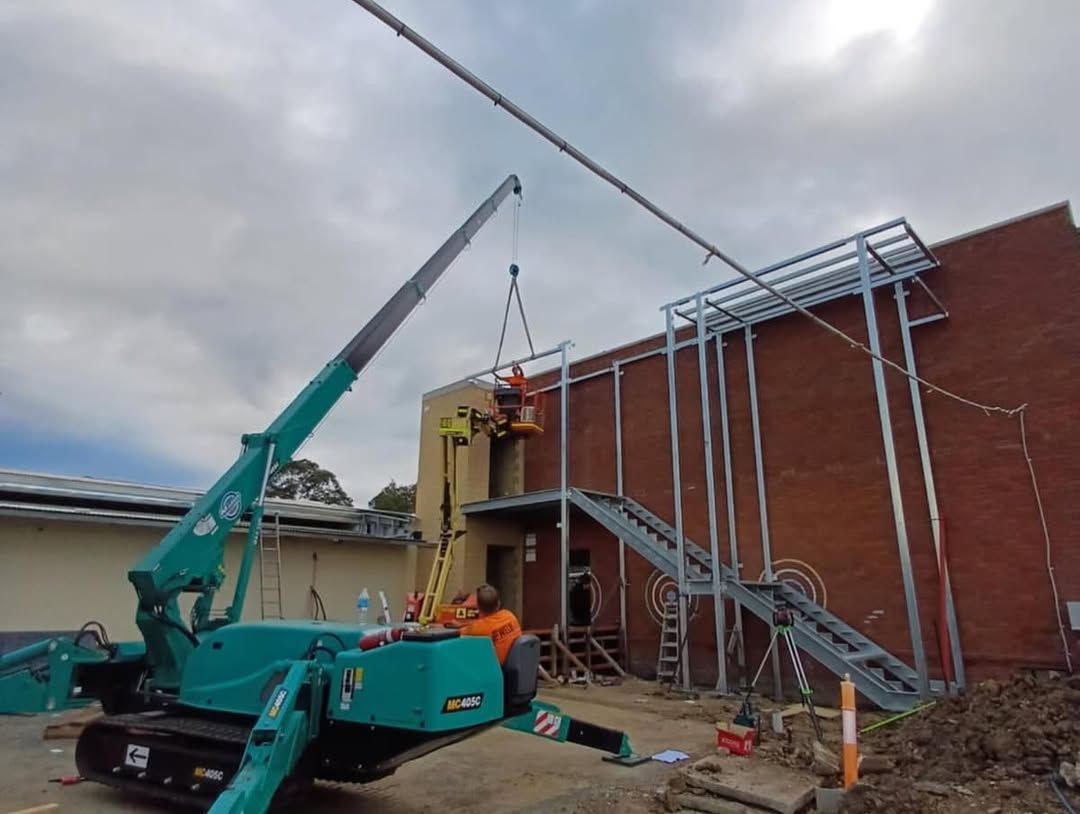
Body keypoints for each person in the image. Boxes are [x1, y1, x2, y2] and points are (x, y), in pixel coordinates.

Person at [460, 584, 521, 665]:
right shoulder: (510, 616)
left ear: (478, 607)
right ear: (498, 604)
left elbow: (457, 634)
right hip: (511, 666)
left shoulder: (477, 628)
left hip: (494, 669)